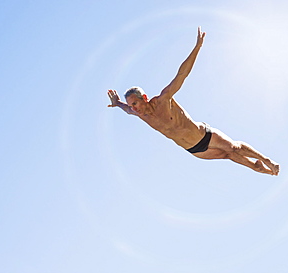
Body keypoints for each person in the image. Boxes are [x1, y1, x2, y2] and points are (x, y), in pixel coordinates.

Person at [107, 27, 279, 176]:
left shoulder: (164, 99)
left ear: (144, 98)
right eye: (131, 106)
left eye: (135, 104)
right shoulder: (139, 114)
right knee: (228, 156)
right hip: (194, 150)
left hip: (204, 135)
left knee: (233, 148)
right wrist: (118, 104)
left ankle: (266, 160)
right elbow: (126, 109)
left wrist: (197, 47)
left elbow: (182, 75)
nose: (133, 108)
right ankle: (256, 167)